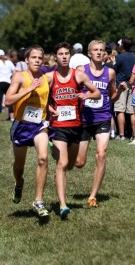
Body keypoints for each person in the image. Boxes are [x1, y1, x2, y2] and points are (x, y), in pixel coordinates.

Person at [46, 42, 101, 219]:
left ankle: (58, 157)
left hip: (76, 126)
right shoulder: (50, 77)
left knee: (71, 164)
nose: (64, 56)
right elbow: (39, 97)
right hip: (59, 127)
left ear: (70, 56)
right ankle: (63, 205)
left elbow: (97, 93)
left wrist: (86, 95)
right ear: (55, 57)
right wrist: (48, 108)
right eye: (60, 53)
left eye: (66, 54)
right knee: (62, 165)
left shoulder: (78, 75)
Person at [75, 40, 127, 207]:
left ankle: (92, 196)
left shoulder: (110, 72)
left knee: (101, 154)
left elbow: (112, 97)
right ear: (89, 53)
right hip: (84, 119)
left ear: (105, 53)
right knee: (79, 163)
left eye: (102, 50)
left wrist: (119, 91)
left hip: (103, 118)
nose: (99, 52)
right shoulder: (81, 70)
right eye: (95, 50)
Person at [5, 45, 51, 218]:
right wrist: (28, 89)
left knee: (43, 158)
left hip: (40, 124)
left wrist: (50, 108)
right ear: (27, 60)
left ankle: (38, 201)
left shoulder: (46, 78)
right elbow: (7, 101)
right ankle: (18, 183)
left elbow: (44, 98)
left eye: (40, 58)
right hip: (22, 125)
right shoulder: (19, 77)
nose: (37, 61)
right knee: (19, 165)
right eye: (34, 58)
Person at [114, 38, 135, 140]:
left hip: (121, 85)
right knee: (131, 111)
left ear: (122, 46)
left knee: (120, 110)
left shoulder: (119, 57)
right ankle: (133, 134)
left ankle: (122, 135)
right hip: (132, 85)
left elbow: (113, 69)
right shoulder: (134, 57)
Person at [0, 49, 16, 121]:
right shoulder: (9, 62)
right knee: (9, 100)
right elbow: (14, 72)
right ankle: (12, 117)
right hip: (8, 82)